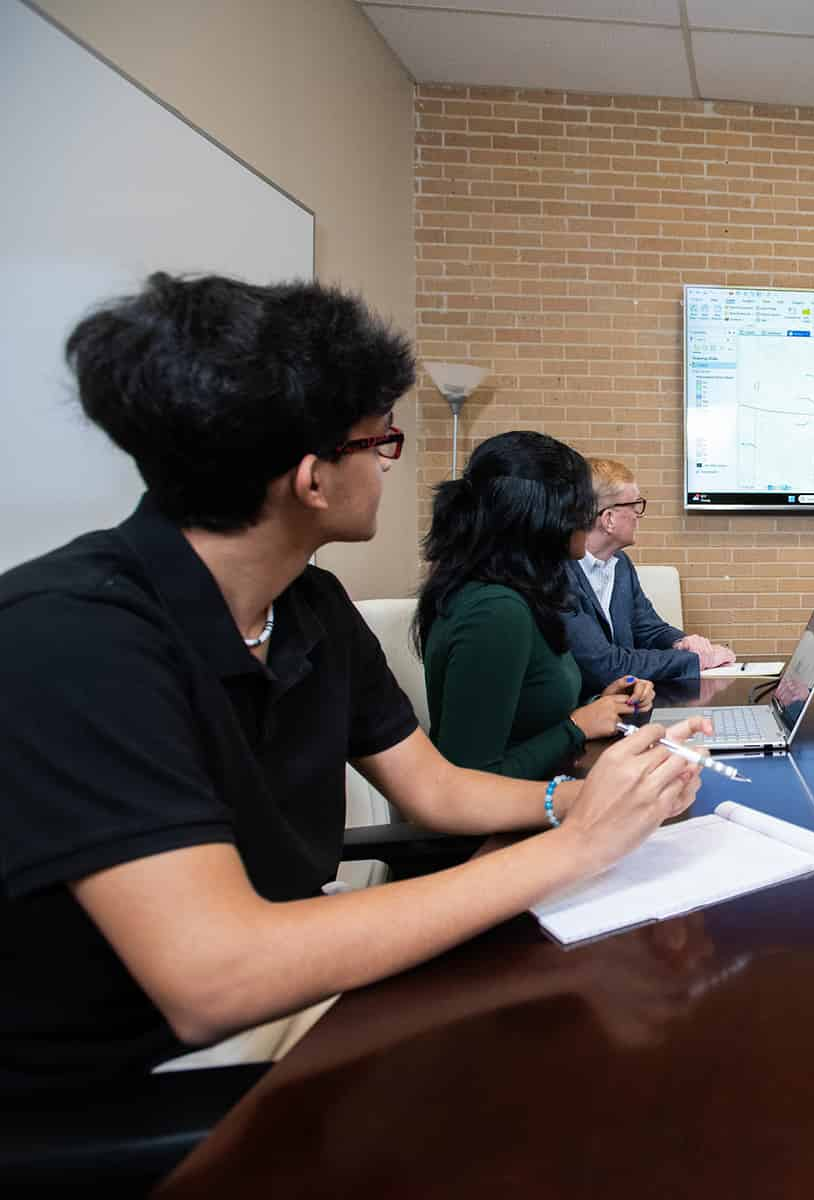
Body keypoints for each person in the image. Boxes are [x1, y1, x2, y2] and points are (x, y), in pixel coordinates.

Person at [0, 274, 709, 1096]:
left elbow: (435, 788)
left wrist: (582, 802)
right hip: (134, 1078)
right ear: (313, 478)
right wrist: (578, 847)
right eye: (381, 444)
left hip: (299, 990)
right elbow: (212, 978)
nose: (388, 466)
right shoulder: (70, 637)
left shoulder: (308, 604)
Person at [420, 434, 657, 779]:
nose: (590, 515)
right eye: (582, 503)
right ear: (547, 515)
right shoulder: (495, 611)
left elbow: (527, 724)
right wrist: (577, 727)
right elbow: (469, 779)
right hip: (503, 827)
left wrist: (601, 706)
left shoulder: (521, 596)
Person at [562, 457, 734, 689]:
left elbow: (648, 628)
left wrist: (682, 642)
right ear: (608, 519)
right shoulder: (560, 575)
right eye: (634, 507)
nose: (638, 516)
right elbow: (605, 666)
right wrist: (695, 660)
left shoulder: (620, 564)